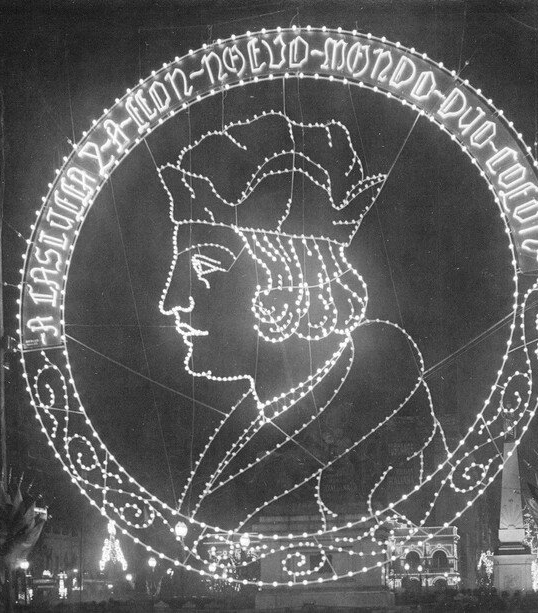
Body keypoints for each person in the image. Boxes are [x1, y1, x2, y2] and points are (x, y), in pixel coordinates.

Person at [156, 111, 446, 530]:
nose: (171, 302)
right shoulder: (262, 422)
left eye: (203, 267)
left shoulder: (385, 417)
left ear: (290, 278)